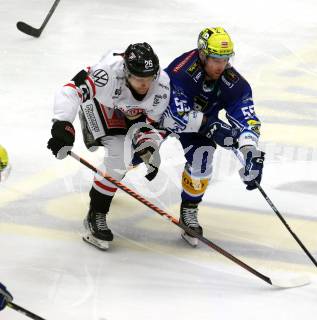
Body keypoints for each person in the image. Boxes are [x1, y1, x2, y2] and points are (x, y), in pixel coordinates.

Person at [47, 42, 170, 250]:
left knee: (126, 158)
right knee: (120, 157)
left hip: (131, 113)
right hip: (100, 103)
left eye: (149, 78)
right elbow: (70, 91)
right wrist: (62, 124)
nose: (145, 85)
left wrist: (148, 146)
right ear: (126, 72)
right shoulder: (107, 74)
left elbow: (150, 124)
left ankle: (106, 184)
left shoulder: (162, 86)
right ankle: (96, 213)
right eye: (139, 79)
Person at [161, 27, 265, 246]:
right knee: (136, 153)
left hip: (200, 127)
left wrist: (249, 151)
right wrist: (211, 125)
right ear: (202, 54)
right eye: (216, 59)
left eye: (225, 59)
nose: (221, 65)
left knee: (203, 158)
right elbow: (173, 116)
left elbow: (247, 119)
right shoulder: (182, 71)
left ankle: (189, 211)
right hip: (160, 118)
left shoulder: (233, 82)